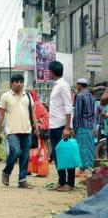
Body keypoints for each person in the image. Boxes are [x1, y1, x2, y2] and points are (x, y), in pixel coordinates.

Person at [0, 73, 39, 189]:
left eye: (21, 81)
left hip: (27, 130)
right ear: (12, 83)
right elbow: (1, 115)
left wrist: (36, 127)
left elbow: (33, 112)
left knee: (25, 155)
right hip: (12, 130)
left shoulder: (28, 95)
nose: (19, 84)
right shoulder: (5, 96)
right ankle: (6, 172)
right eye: (16, 82)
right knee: (15, 151)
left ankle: (22, 180)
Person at [48, 61, 74, 192]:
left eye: (49, 71)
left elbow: (68, 107)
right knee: (57, 155)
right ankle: (61, 181)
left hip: (61, 126)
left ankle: (70, 183)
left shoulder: (63, 85)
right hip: (53, 125)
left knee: (67, 154)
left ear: (52, 71)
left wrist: (67, 128)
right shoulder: (56, 85)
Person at [73, 78, 95, 177]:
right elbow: (93, 113)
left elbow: (77, 114)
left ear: (79, 85)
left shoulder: (80, 96)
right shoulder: (91, 96)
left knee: (81, 147)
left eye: (77, 85)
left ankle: (83, 170)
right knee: (89, 147)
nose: (76, 87)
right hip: (90, 125)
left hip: (81, 125)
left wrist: (74, 127)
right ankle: (89, 168)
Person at [27, 89, 50, 177]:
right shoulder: (28, 104)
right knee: (30, 150)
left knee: (40, 151)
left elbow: (46, 116)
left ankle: (42, 171)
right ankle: (29, 169)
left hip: (37, 131)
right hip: (30, 130)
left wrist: (39, 124)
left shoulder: (38, 105)